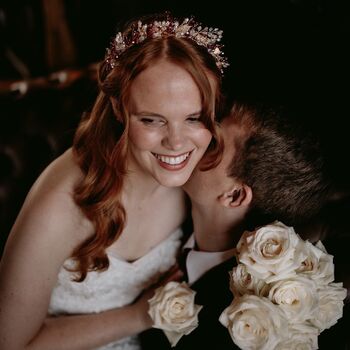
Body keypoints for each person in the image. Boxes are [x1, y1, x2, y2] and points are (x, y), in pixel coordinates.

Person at [0, 12, 229, 350]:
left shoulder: (201, 170)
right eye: (152, 120)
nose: (177, 143)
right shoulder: (63, 203)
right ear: (119, 108)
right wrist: (140, 315)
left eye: (194, 117)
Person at [140, 98, 334, 349]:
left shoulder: (237, 322)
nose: (195, 138)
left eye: (214, 144)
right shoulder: (164, 207)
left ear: (234, 196)